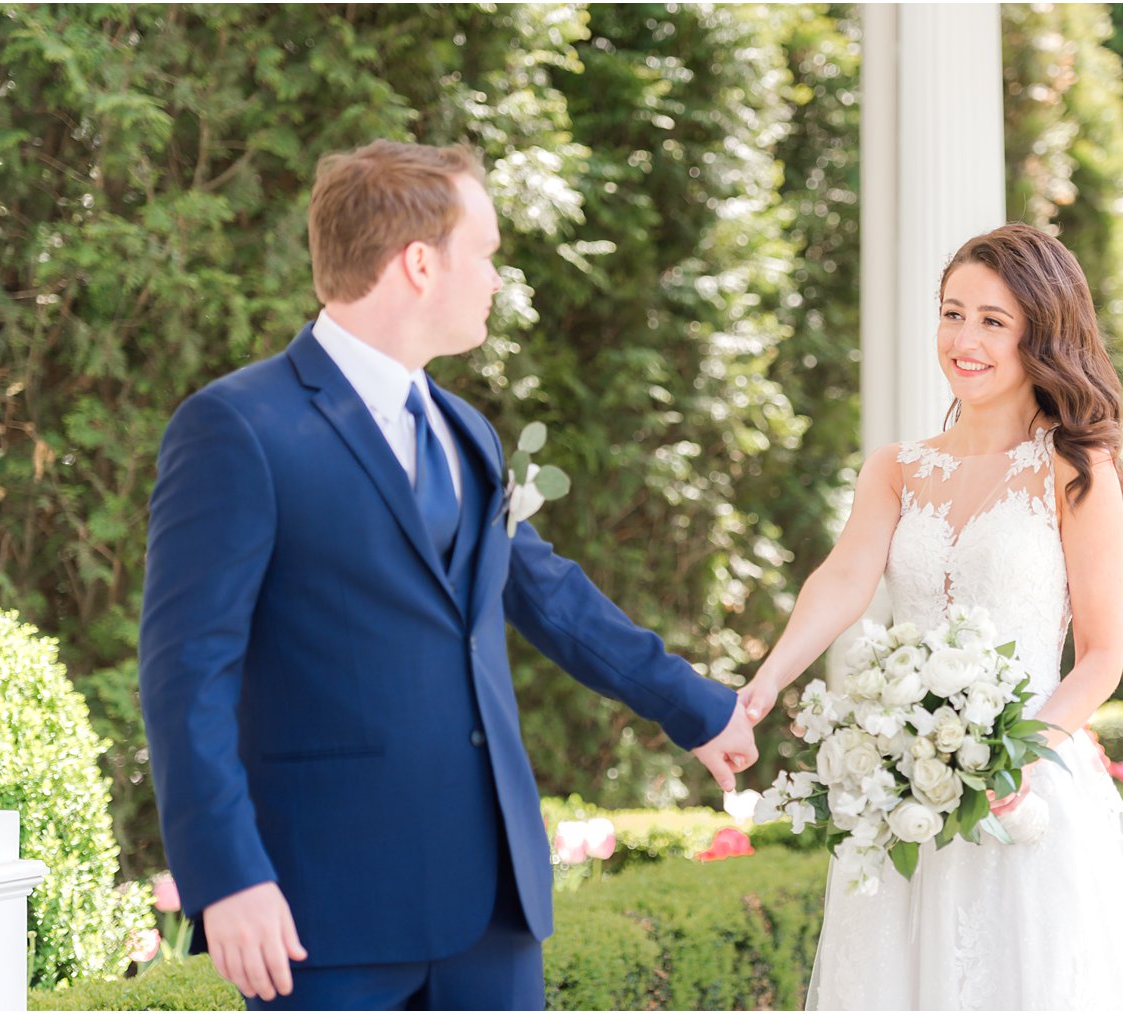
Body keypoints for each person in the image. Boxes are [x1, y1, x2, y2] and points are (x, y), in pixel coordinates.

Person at [138, 140, 759, 1011]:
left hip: (491, 907)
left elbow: (542, 591)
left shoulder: (467, 431)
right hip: (326, 908)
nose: (498, 279)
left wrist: (694, 706)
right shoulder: (237, 428)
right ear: (420, 263)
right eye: (489, 253)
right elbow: (184, 676)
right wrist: (228, 877)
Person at [738, 224, 1123, 1010]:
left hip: (1028, 802)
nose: (964, 339)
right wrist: (767, 680)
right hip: (902, 799)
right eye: (953, 314)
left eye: (993, 320)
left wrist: (1016, 764)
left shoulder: (1077, 469)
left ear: (1040, 333)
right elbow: (845, 577)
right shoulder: (896, 468)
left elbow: (1099, 659)